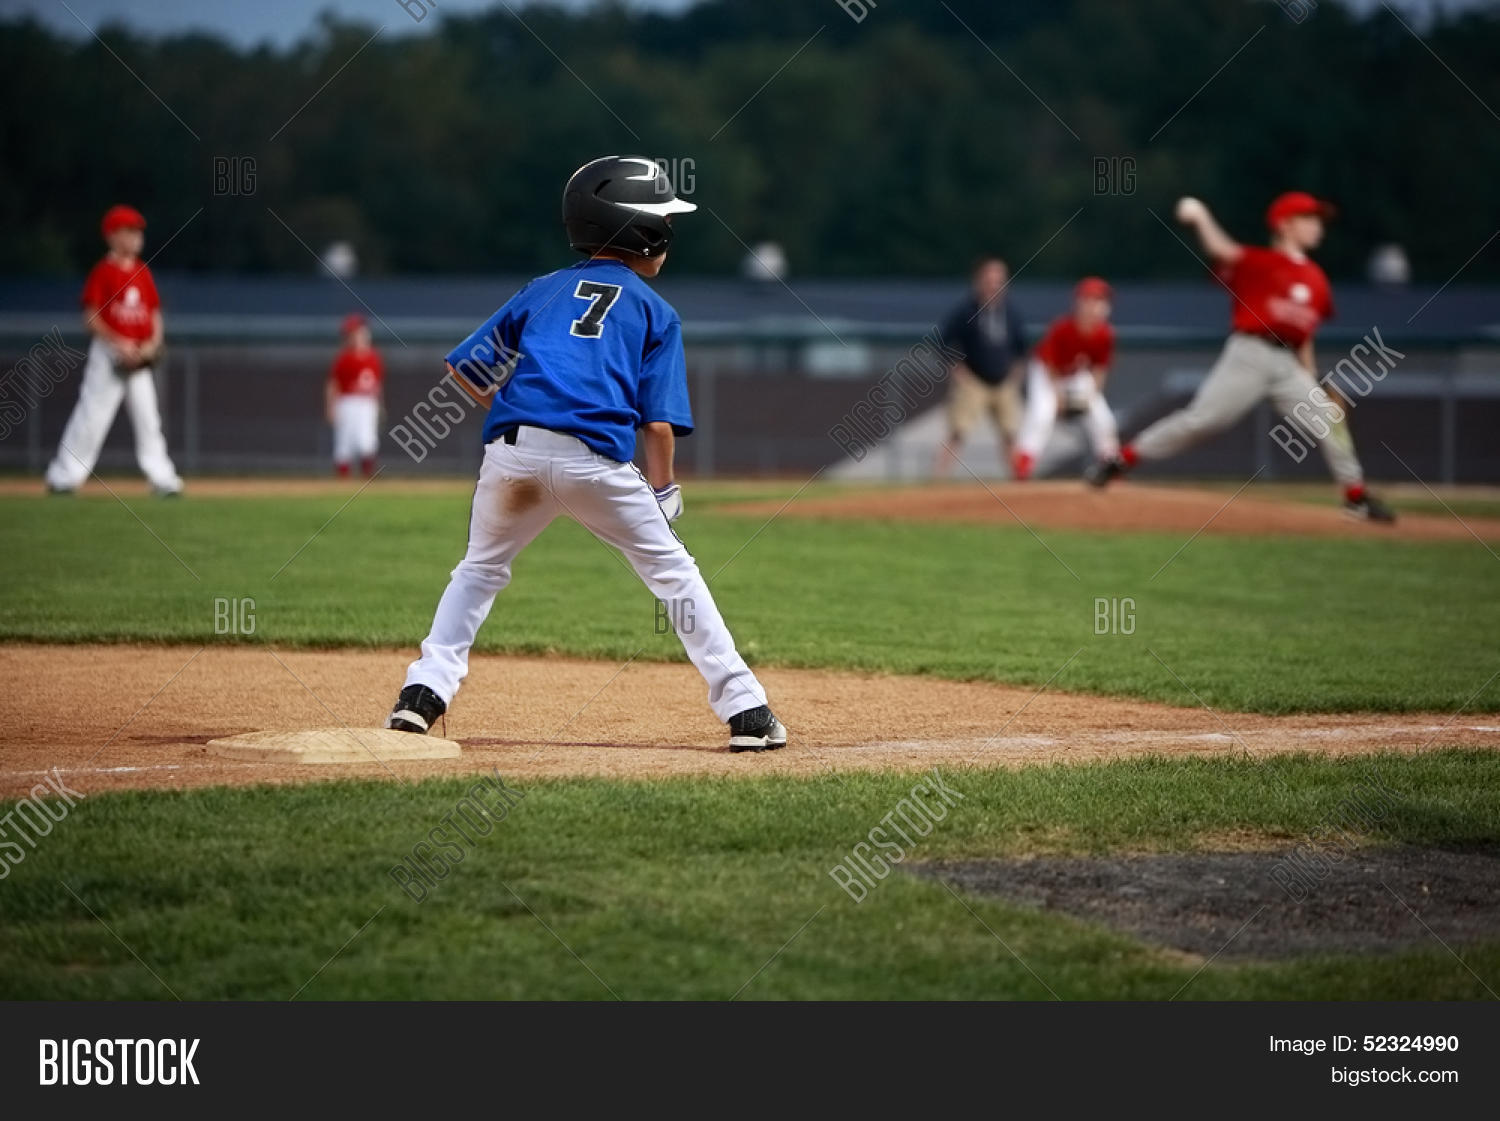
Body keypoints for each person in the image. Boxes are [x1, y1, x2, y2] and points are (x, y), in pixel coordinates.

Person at [385, 156, 787, 752]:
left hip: (513, 453)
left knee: (478, 571)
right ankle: (747, 713)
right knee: (674, 574)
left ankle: (421, 698)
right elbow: (656, 424)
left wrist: (527, 404)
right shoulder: (656, 311)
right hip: (596, 461)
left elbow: (465, 369)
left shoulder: (543, 290)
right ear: (644, 232)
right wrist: (665, 489)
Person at [1088, 192, 1395, 523]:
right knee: (1201, 422)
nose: (1317, 226)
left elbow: (1304, 337)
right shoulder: (1261, 262)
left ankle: (1356, 497)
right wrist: (1201, 216)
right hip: (1249, 354)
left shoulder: (1317, 279)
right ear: (1284, 225)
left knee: (1330, 417)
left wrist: (1314, 381)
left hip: (1287, 364)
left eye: (1318, 219)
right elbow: (1221, 250)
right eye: (1309, 218)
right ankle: (1122, 459)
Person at [44, 205, 183, 496]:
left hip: (139, 356)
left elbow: (154, 313)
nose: (136, 236)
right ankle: (63, 478)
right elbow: (91, 317)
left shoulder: (142, 272)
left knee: (149, 420)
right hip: (108, 355)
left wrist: (152, 343)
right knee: (91, 417)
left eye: (137, 231)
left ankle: (164, 480)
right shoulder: (103, 271)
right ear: (111, 235)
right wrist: (119, 343)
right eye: (129, 231)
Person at [1012, 277, 1119, 481]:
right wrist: (1058, 397)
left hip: (1075, 375)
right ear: (1080, 302)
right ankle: (1024, 464)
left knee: (1102, 418)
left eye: (1101, 301)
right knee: (1043, 412)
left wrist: (1092, 396)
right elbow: (1050, 364)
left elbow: (1099, 369)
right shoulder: (1063, 328)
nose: (1097, 306)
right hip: (1045, 373)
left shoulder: (1105, 334)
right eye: (1092, 299)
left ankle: (1110, 466)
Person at [933, 256, 1027, 476]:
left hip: (1003, 381)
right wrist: (958, 369)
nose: (994, 285)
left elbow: (1021, 348)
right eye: (989, 279)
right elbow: (944, 340)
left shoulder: (1011, 313)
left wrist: (1015, 373)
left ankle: (1019, 482)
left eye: (999, 280)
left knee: (1011, 434)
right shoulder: (966, 311)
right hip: (974, 380)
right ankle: (938, 480)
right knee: (957, 432)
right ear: (979, 281)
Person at [326, 313, 384, 477]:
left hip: (367, 403)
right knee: (344, 444)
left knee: (367, 442)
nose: (355, 337)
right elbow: (333, 384)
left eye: (356, 332)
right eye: (351, 334)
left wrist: (380, 406)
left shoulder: (374, 357)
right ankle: (342, 481)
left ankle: (368, 478)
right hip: (347, 401)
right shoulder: (344, 358)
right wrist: (330, 407)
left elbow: (377, 385)